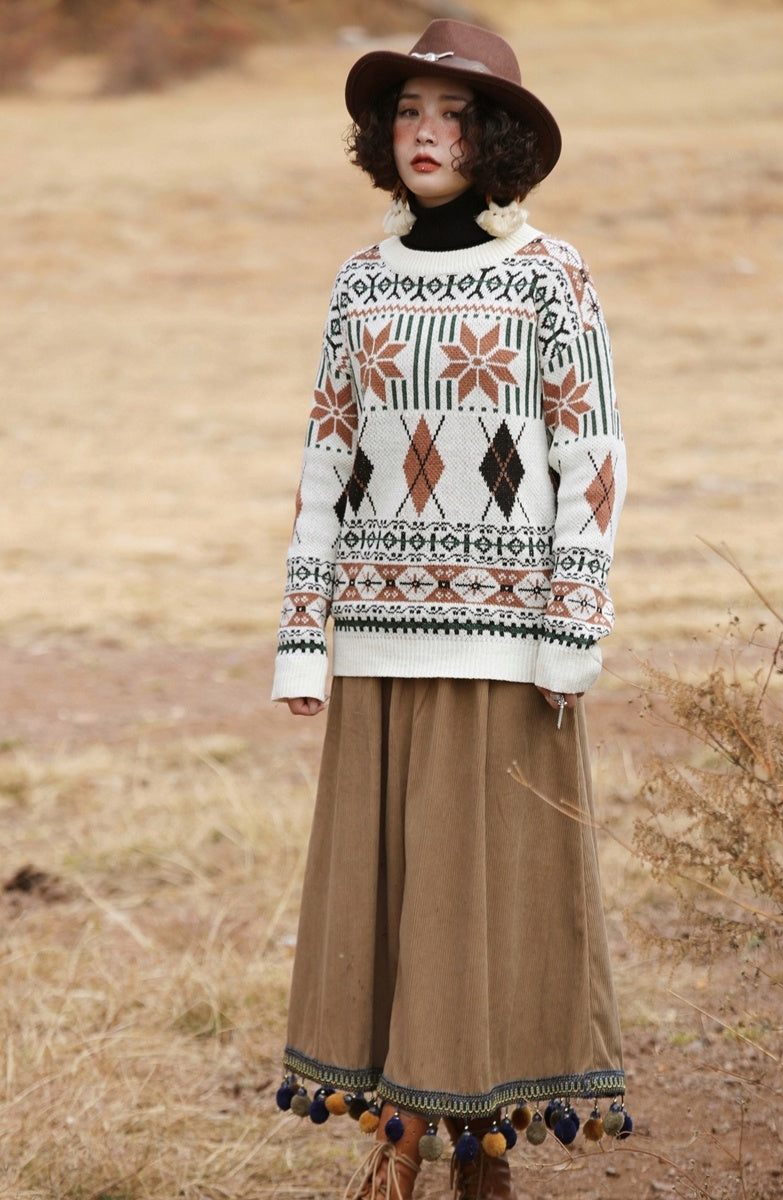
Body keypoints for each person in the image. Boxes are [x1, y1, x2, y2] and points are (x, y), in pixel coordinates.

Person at [272, 19, 629, 1200]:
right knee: (389, 903)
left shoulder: (549, 273)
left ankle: (482, 1154)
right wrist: (301, 635)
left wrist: (570, 628)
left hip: (510, 645)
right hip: (376, 640)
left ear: (499, 141)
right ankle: (400, 1140)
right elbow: (326, 457)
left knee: (489, 904)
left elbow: (593, 454)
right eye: (411, 115)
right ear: (386, 137)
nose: (428, 135)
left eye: (456, 117)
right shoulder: (361, 282)